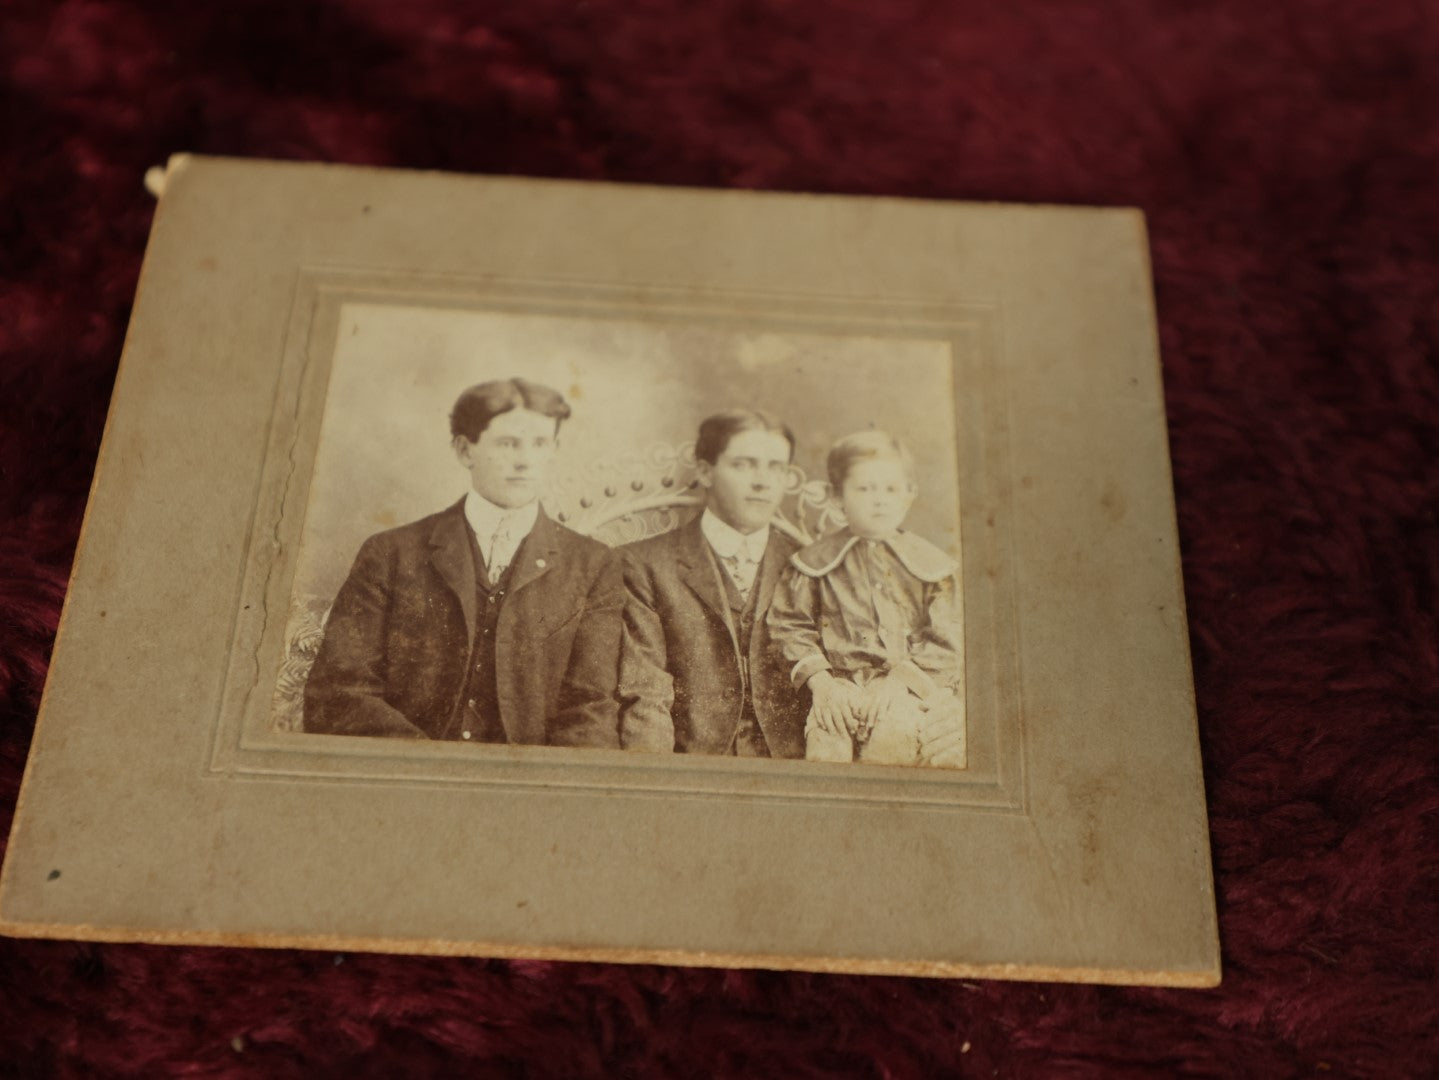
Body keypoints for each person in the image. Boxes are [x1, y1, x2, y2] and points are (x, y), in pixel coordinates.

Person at [303, 378, 622, 746]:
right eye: (507, 444)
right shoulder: (391, 553)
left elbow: (591, 707)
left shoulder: (593, 565)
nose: (525, 460)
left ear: (554, 450)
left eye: (539, 444)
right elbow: (338, 693)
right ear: (464, 451)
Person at [766, 429, 966, 767]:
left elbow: (948, 636)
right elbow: (789, 626)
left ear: (909, 493)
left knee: (893, 736)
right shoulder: (813, 563)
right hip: (839, 686)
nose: (879, 499)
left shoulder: (932, 565)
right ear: (837, 496)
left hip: (907, 689)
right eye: (864, 488)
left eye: (890, 489)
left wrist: (900, 683)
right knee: (827, 733)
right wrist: (822, 683)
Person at [618, 410, 809, 757]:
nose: (762, 482)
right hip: (692, 772)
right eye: (744, 465)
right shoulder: (646, 564)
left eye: (775, 468)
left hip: (793, 773)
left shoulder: (807, 566)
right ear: (706, 472)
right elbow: (645, 692)